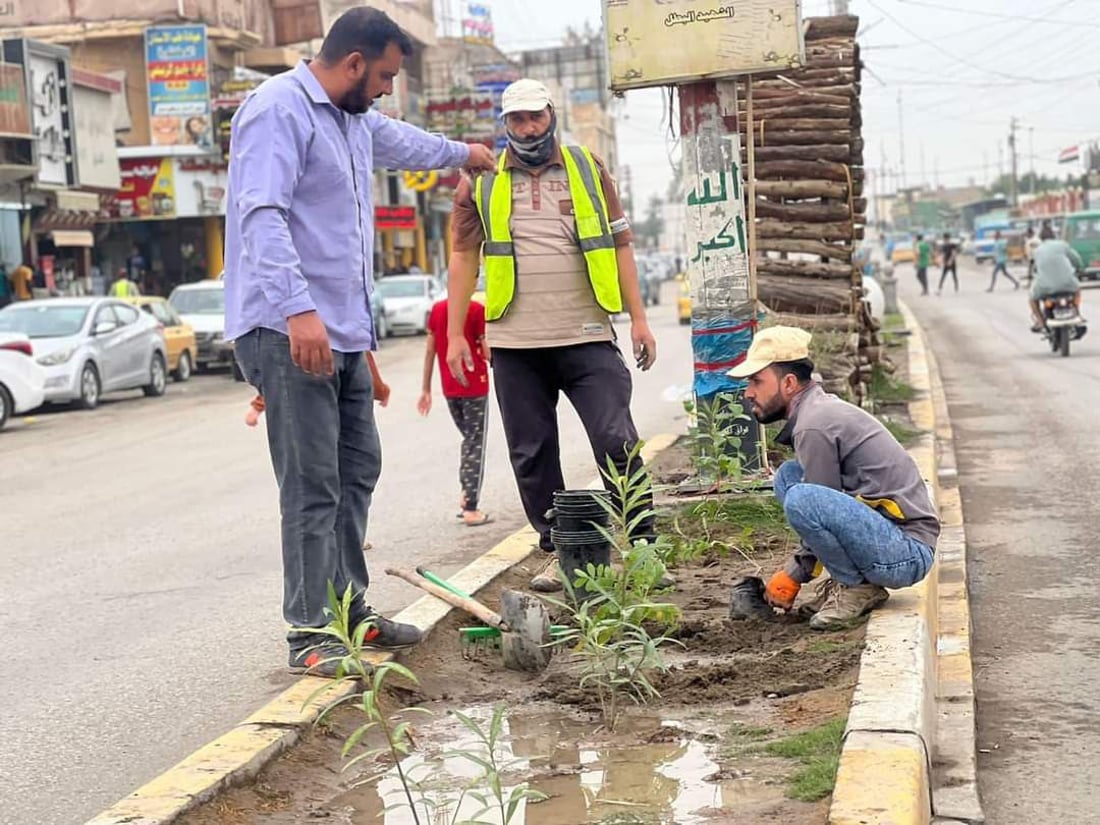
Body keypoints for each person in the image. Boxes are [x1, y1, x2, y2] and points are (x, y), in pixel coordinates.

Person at [223, 6, 496, 678]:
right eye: (380, 77)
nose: (383, 90)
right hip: (289, 327)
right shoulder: (277, 110)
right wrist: (298, 311)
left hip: (342, 330)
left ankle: (348, 608)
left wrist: (466, 154)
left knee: (357, 468)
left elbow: (403, 142)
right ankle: (309, 631)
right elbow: (261, 215)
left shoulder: (350, 119)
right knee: (312, 482)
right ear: (352, 63)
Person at [444, 78, 658, 593]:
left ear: (550, 115)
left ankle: (644, 543)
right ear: (505, 125)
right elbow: (462, 257)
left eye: (534, 117)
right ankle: (560, 550)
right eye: (516, 120)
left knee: (615, 438)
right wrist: (455, 335)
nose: (527, 127)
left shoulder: (588, 169)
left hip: (586, 333)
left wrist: (640, 318)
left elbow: (621, 244)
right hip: (515, 345)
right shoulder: (479, 180)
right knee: (532, 453)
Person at [730, 326, 940, 629]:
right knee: (789, 477)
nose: (748, 392)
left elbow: (815, 503)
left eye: (756, 381)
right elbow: (827, 503)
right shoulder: (816, 412)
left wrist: (794, 574)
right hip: (889, 539)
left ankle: (856, 587)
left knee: (800, 497)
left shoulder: (813, 426)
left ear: (788, 383)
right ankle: (848, 583)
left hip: (905, 553)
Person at [417, 295, 492, 527]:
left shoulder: (437, 310)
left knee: (468, 440)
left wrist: (426, 388)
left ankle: (465, 493)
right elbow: (487, 350)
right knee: (475, 442)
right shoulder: (477, 309)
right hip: (475, 386)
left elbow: (430, 352)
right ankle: (471, 506)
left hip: (450, 389)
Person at [1029, 225, 1085, 332]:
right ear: (1054, 236)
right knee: (1077, 291)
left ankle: (1040, 322)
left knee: (1032, 299)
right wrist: (1080, 269)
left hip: (1045, 288)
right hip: (1068, 284)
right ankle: (1078, 313)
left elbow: (1035, 269)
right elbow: (1076, 259)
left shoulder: (1037, 251)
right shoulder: (1062, 245)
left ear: (1041, 238)